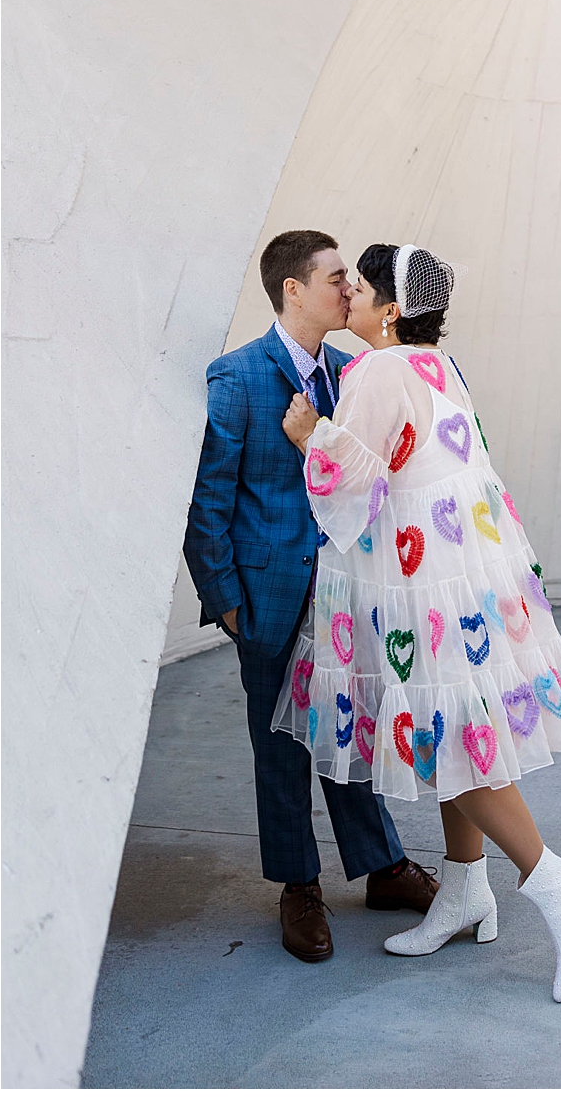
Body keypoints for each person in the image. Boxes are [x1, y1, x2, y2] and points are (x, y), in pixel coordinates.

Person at [271, 243, 561, 1001]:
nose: (349, 297)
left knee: (451, 733)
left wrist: (307, 436)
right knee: (458, 729)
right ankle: (465, 891)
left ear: (390, 312)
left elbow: (353, 478)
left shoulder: (378, 370)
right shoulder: (437, 366)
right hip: (462, 580)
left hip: (418, 586)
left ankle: (553, 879)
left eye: (361, 289)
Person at [183, 230, 438, 964]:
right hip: (268, 594)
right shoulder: (235, 377)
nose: (349, 290)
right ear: (292, 289)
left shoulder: (355, 370)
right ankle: (299, 885)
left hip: (346, 593)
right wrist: (226, 599)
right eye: (334, 279)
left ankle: (383, 867)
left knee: (348, 730)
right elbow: (208, 503)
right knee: (280, 748)